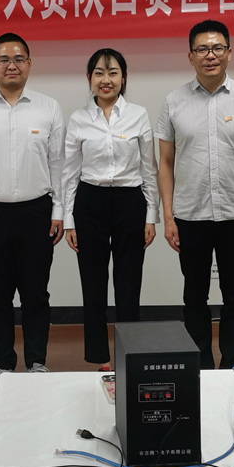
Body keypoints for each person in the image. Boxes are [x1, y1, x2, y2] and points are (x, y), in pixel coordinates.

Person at [156, 20, 234, 370]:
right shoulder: (173, 102)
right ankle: (200, 364)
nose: (210, 55)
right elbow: (165, 162)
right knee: (194, 296)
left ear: (229, 53)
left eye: (217, 48)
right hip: (191, 215)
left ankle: (232, 363)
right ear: (190, 56)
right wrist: (168, 216)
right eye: (202, 49)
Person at [0, 33, 65, 373]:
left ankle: (36, 362)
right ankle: (3, 363)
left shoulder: (49, 108)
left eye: (19, 59)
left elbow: (59, 164)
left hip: (38, 211)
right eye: (3, 59)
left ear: (29, 64)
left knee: (36, 294)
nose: (11, 65)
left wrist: (59, 211)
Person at [62, 48, 158, 369]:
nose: (106, 80)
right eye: (99, 73)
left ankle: (128, 355)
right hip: (89, 202)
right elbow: (69, 172)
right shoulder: (78, 118)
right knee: (93, 283)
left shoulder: (138, 115)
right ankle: (97, 357)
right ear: (89, 78)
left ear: (124, 78)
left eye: (113, 72)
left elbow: (149, 169)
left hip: (130, 202)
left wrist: (151, 216)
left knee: (129, 283)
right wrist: (69, 220)